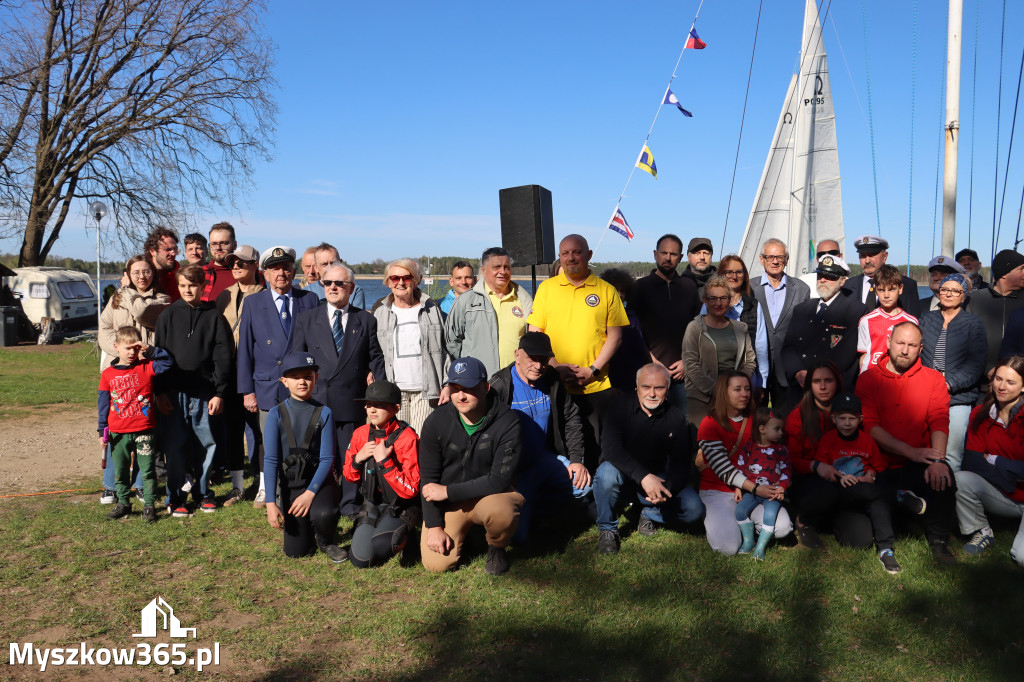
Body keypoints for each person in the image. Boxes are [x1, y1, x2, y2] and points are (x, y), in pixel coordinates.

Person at [856, 322, 958, 564]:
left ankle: (939, 542)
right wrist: (910, 451)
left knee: (943, 476)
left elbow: (939, 420)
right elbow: (869, 426)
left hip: (919, 460)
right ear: (889, 342)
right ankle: (895, 519)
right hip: (879, 462)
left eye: (912, 345)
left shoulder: (933, 379)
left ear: (921, 348)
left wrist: (938, 460)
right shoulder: (868, 379)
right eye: (900, 343)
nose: (904, 350)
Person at [527, 234, 629, 470]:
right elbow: (535, 334)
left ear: (589, 255)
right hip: (554, 383)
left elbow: (615, 336)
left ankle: (593, 501)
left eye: (577, 252)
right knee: (558, 445)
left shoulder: (606, 290)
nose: (570, 258)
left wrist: (592, 370)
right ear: (560, 258)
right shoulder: (546, 289)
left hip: (595, 385)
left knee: (596, 448)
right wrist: (556, 367)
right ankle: (566, 497)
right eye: (565, 253)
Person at [292, 262, 387, 517]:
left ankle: (350, 503)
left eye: (339, 283)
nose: (332, 287)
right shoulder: (307, 319)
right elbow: (295, 359)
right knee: (317, 458)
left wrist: (380, 393)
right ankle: (321, 502)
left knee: (351, 457)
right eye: (327, 283)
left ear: (351, 288)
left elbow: (375, 358)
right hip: (316, 402)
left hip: (350, 401)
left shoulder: (365, 319)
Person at [418, 357, 524, 575]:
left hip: (489, 495)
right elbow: (428, 480)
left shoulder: (507, 421)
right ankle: (471, 536)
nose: (461, 396)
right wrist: (434, 526)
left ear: (486, 388)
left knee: (501, 512)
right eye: (455, 389)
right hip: (450, 504)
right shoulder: (435, 422)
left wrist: (447, 491)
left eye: (468, 388)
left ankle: (496, 547)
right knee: (436, 565)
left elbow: (499, 479)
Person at [237, 246, 320, 506]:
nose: (281, 273)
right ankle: (269, 492)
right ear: (265, 273)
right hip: (266, 386)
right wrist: (247, 390)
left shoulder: (309, 300)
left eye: (286, 267)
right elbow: (245, 350)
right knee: (269, 442)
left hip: (299, 385)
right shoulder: (252, 302)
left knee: (300, 442)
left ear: (294, 271)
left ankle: (299, 491)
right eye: (275, 269)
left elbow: (315, 346)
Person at [489, 332, 589, 544]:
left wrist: (577, 460)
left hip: (542, 460)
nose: (538, 365)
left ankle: (537, 510)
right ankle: (522, 509)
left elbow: (571, 417)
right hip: (513, 472)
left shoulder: (552, 379)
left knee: (583, 486)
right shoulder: (499, 386)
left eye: (543, 360)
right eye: (532, 358)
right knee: (518, 540)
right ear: (517, 355)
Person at [593, 363, 704, 554]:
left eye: (658, 388)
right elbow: (611, 449)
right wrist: (644, 477)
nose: (652, 393)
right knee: (606, 473)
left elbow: (680, 463)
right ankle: (608, 529)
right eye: (646, 387)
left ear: (667, 391)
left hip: (656, 484)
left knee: (694, 509)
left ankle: (649, 515)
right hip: (624, 480)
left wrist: (667, 489)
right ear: (637, 388)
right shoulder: (619, 407)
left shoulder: (676, 417)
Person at [155, 264, 233, 516]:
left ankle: (203, 493)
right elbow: (158, 358)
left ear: (202, 286)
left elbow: (223, 357)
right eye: (183, 285)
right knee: (175, 446)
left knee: (205, 444)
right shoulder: (167, 317)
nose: (188, 290)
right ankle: (175, 497)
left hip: (204, 393)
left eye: (192, 285)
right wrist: (160, 392)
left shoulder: (214, 317)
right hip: (173, 394)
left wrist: (219, 392)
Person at [96, 255, 172, 503]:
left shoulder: (162, 299)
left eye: (147, 271)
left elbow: (141, 313)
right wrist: (118, 350)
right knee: (116, 429)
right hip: (118, 372)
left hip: (144, 373)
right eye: (136, 272)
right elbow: (104, 328)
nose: (142, 276)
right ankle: (111, 486)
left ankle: (141, 484)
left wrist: (126, 290)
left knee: (143, 432)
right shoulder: (115, 299)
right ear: (128, 273)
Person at [697, 371, 793, 555]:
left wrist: (778, 485)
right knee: (728, 548)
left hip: (753, 491)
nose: (744, 394)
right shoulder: (709, 423)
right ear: (724, 392)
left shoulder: (757, 420)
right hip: (719, 490)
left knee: (783, 528)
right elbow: (723, 469)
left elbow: (776, 456)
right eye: (737, 389)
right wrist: (756, 488)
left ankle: (741, 523)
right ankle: (715, 516)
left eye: (747, 389)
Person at [263, 351, 346, 563]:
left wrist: (310, 493)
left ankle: (325, 539)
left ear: (316, 378)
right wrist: (271, 503)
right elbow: (271, 461)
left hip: (318, 483)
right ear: (284, 381)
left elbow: (328, 459)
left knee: (324, 514)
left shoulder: (325, 412)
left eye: (308, 376)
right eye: (295, 377)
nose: (302, 382)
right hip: (291, 485)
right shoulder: (275, 414)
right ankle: (307, 528)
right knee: (296, 552)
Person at [785, 360, 874, 550]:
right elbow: (790, 460)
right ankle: (804, 520)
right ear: (809, 384)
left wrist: (870, 472)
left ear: (837, 382)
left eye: (828, 380)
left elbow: (866, 449)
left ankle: (828, 520)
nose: (823, 387)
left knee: (861, 540)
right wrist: (816, 466)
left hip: (847, 481)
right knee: (826, 491)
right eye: (817, 381)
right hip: (812, 482)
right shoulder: (797, 415)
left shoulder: (849, 411)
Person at [813, 393, 902, 574]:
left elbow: (881, 470)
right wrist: (841, 477)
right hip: (841, 495)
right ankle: (898, 496)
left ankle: (886, 550)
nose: (847, 423)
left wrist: (872, 475)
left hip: (868, 494)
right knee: (860, 541)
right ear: (834, 419)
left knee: (878, 501)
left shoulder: (867, 440)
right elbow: (822, 471)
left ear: (860, 419)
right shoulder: (828, 440)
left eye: (852, 418)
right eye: (842, 418)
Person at [98, 327, 173, 523]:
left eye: (135, 348)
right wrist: (101, 430)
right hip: (118, 433)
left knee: (148, 470)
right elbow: (103, 404)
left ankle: (149, 505)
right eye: (127, 348)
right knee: (120, 471)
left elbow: (168, 362)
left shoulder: (147, 367)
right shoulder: (107, 375)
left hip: (144, 431)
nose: (132, 352)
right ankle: (123, 503)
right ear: (116, 347)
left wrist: (150, 350)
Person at [343, 380, 421, 568]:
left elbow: (411, 490)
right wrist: (358, 459)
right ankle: (378, 525)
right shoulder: (360, 434)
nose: (372, 410)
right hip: (373, 502)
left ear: (396, 408)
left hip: (400, 504)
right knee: (360, 560)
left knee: (382, 546)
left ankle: (410, 535)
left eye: (380, 405)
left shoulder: (408, 437)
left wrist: (385, 463)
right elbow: (349, 476)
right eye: (369, 404)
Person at [956, 355, 1024, 565]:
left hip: (1011, 487)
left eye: (1011, 382)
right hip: (1006, 492)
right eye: (998, 379)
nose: (1001, 386)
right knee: (961, 478)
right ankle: (982, 530)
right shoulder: (980, 414)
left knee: (1021, 558)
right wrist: (1009, 477)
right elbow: (974, 462)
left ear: (1023, 387)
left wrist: (995, 460)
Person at [372, 258, 450, 432]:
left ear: (416, 281)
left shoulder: (432, 309)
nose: (401, 282)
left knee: (422, 442)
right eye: (395, 278)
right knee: (396, 443)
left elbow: (444, 349)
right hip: (393, 392)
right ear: (388, 282)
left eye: (407, 278)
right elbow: (374, 352)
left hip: (426, 392)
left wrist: (447, 383)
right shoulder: (380, 313)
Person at [215, 244, 266, 506]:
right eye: (233, 263)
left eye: (242, 263)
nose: (236, 266)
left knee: (258, 431)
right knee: (232, 429)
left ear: (255, 265)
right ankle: (237, 487)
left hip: (257, 373)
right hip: (229, 371)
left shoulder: (266, 295)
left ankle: (262, 483)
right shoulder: (224, 295)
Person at [919, 273, 986, 472]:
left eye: (955, 290)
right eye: (945, 289)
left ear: (963, 296)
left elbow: (975, 365)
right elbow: (917, 353)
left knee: (951, 455)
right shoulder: (926, 319)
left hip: (957, 399)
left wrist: (947, 384)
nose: (948, 294)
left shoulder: (973, 324)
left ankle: (949, 498)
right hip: (925, 396)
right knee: (923, 449)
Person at [782, 255, 868, 405]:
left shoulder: (856, 311)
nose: (823, 280)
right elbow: (788, 347)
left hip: (833, 390)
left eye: (830, 277)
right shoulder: (802, 309)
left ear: (842, 281)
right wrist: (797, 371)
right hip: (800, 390)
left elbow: (847, 354)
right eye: (820, 275)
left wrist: (816, 378)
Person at [630, 233, 701, 413]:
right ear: (655, 254)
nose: (667, 258)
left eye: (673, 254)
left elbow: (699, 328)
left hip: (683, 376)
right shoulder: (640, 288)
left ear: (680, 258)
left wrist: (687, 360)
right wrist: (653, 362)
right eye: (663, 253)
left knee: (683, 427)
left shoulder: (690, 287)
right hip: (650, 376)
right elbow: (633, 332)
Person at [446, 247, 533, 379]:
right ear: (483, 270)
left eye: (507, 267)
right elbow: (451, 340)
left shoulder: (524, 300)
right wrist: (469, 364)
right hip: (479, 382)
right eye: (496, 267)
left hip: (516, 380)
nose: (502, 272)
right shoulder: (466, 301)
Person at [682, 275, 757, 425]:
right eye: (713, 298)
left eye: (723, 298)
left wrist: (736, 387)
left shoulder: (740, 328)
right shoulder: (695, 327)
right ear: (705, 300)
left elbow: (750, 361)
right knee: (704, 445)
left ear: (730, 301)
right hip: (702, 399)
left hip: (734, 400)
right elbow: (691, 364)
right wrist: (719, 390)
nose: (718, 303)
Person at [751, 238, 811, 413]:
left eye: (779, 257)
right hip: (756, 366)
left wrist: (801, 366)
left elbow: (804, 333)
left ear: (786, 259)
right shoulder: (750, 287)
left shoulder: (801, 289)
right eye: (769, 257)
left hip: (788, 369)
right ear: (762, 259)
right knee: (755, 420)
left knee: (785, 420)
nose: (775, 261)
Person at [733, 407, 790, 560]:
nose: (781, 433)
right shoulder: (748, 447)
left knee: (770, 516)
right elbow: (740, 468)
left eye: (782, 429)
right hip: (751, 491)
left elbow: (787, 471)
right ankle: (749, 541)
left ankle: (760, 547)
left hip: (772, 493)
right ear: (762, 429)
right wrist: (738, 487)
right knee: (740, 511)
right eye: (777, 429)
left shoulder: (781, 450)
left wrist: (782, 487)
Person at [967, 248, 1024, 375]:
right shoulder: (974, 299)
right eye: (1021, 269)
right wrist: (987, 368)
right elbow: (966, 340)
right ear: (1004, 272)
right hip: (978, 381)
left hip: (1017, 383)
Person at [856, 264, 919, 373]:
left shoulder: (911, 322)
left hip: (899, 380)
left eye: (891, 290)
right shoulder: (866, 321)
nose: (886, 295)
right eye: (881, 290)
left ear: (900, 289)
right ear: (875, 290)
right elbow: (864, 356)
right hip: (872, 379)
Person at [844, 235, 922, 318]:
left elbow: (913, 323)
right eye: (863, 255)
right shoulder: (847, 286)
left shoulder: (907, 285)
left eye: (872, 255)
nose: (867, 261)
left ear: (884, 257)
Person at [598, 268, 648, 392]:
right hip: (605, 379)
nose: (619, 294)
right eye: (615, 290)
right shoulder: (597, 317)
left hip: (630, 379)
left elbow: (639, 350)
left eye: (622, 291)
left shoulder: (632, 317)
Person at [305, 242, 367, 308]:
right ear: (316, 268)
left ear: (341, 263)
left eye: (333, 263)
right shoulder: (305, 293)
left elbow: (357, 316)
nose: (329, 267)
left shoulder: (354, 291)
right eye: (324, 264)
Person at [200, 222, 238, 302]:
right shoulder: (200, 273)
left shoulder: (248, 273)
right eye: (214, 244)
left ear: (234, 245)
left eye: (224, 243)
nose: (218, 248)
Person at [144, 226, 181, 302]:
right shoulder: (141, 276)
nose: (173, 253)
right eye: (168, 249)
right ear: (153, 251)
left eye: (175, 249)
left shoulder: (180, 276)